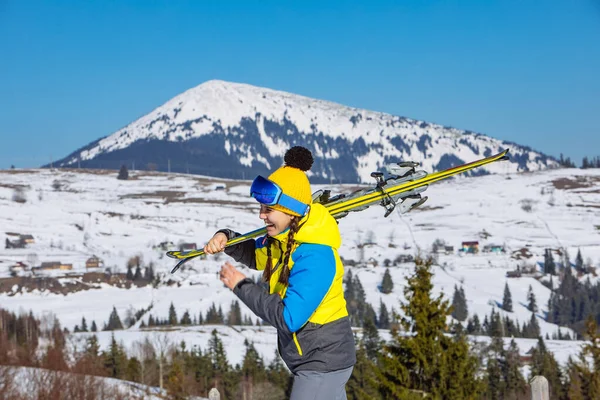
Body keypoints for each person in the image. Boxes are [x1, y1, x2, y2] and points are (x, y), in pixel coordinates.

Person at [204, 146, 356, 400]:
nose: (261, 216)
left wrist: (242, 286)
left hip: (324, 361)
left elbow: (289, 317)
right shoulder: (283, 240)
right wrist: (226, 238)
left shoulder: (315, 256)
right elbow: (256, 255)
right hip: (308, 359)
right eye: (261, 208)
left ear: (291, 210)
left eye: (268, 209)